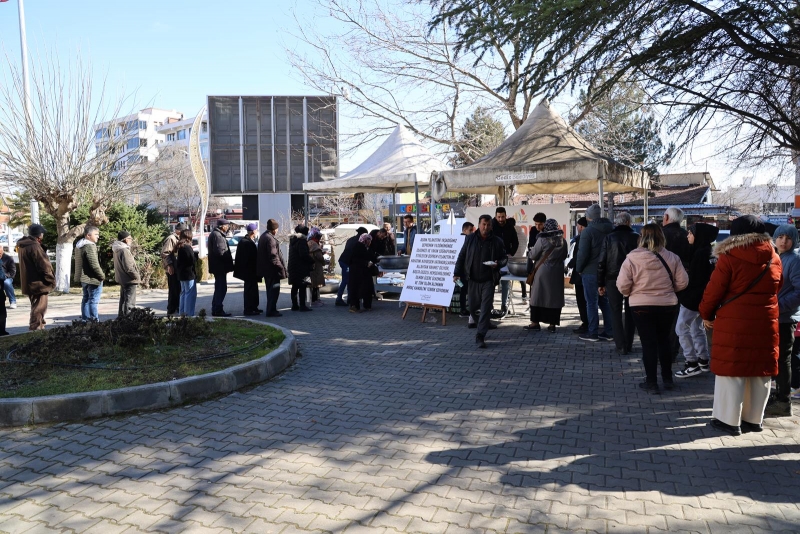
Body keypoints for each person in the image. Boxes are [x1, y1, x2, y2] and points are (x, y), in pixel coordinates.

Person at [699, 215, 782, 436]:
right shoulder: (774, 257)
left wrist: (705, 314)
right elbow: (777, 287)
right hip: (765, 321)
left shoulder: (729, 257)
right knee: (759, 371)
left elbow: (714, 290)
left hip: (733, 322)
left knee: (732, 371)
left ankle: (728, 420)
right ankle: (754, 420)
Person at [617, 224, 688, 393]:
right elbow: (683, 282)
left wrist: (632, 293)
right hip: (667, 305)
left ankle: (651, 382)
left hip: (641, 305)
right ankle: (668, 379)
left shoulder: (632, 258)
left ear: (641, 238)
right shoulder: (672, 257)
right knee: (664, 341)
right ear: (661, 237)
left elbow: (622, 285)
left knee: (648, 344)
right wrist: (668, 291)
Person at [454, 214, 507, 349]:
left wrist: (497, 264)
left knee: (485, 308)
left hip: (488, 280)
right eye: (483, 224)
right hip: (472, 280)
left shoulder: (497, 241)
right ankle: (484, 323)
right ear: (478, 224)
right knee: (472, 308)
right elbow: (461, 257)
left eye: (488, 224)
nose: (486, 227)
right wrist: (456, 273)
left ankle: (480, 335)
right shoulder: (470, 239)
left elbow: (504, 258)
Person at [673, 223, 719, 378]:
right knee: (696, 328)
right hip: (705, 298)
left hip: (693, 298)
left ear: (698, 235)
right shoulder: (710, 252)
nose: (688, 236)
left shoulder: (700, 253)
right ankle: (703, 360)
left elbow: (696, 280)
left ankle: (691, 362)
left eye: (690, 233)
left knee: (681, 328)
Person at [764, 224, 800, 417]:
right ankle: (777, 396)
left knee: (783, 359)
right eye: (780, 237)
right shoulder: (775, 257)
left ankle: (783, 401)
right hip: (774, 316)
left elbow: (799, 291)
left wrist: (778, 305)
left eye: (788, 237)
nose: (784, 241)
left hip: (785, 318)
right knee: (775, 358)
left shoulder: (794, 260)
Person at [598, 212, 640, 355]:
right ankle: (628, 343)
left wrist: (600, 282)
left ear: (616, 222)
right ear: (628, 222)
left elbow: (601, 262)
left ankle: (620, 344)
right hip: (632, 279)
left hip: (612, 278)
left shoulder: (609, 238)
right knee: (630, 312)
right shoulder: (636, 237)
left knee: (615, 311)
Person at [575, 204, 614, 342]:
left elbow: (583, 254)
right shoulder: (611, 229)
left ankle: (592, 332)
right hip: (607, 272)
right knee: (605, 301)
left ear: (588, 216)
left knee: (591, 302)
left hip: (591, 272)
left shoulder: (588, 232)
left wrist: (579, 269)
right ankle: (610, 331)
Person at [525, 218, 568, 333]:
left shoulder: (542, 240)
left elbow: (533, 255)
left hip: (543, 272)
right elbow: (565, 256)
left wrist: (529, 252)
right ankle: (552, 325)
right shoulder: (563, 241)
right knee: (554, 298)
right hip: (557, 272)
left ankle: (535, 323)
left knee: (538, 296)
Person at [17, 224, 55, 330]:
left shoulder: (24, 245)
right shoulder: (34, 246)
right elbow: (43, 265)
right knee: (39, 307)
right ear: (39, 235)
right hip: (38, 283)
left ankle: (40, 325)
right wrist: (50, 279)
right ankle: (36, 328)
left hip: (30, 282)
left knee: (36, 306)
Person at [492, 207, 519, 317]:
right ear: (495, 216)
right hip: (493, 259)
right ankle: (490, 305)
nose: (501, 219)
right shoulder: (492, 225)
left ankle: (504, 305)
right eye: (498, 217)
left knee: (505, 282)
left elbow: (515, 242)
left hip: (506, 259)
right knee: (491, 283)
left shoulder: (510, 227)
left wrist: (511, 253)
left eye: (502, 217)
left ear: (505, 216)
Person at [258, 219, 287, 317]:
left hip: (267, 270)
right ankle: (271, 310)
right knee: (274, 291)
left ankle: (271, 309)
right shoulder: (270, 239)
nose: (277, 230)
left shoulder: (263, 236)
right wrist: (281, 267)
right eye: (277, 228)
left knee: (270, 290)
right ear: (274, 229)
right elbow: (273, 256)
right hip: (272, 270)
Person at [75, 225, 104, 322]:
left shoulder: (80, 245)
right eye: (96, 234)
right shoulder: (89, 246)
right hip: (92, 278)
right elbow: (94, 264)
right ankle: (94, 321)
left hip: (84, 278)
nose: (98, 236)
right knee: (93, 301)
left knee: (86, 299)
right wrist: (102, 276)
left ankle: (85, 320)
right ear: (88, 235)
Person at [208, 219, 234, 317]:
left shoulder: (216, 234)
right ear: (222, 226)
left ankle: (216, 308)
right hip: (220, 267)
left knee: (219, 288)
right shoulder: (217, 235)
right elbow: (220, 252)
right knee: (221, 288)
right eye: (227, 225)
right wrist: (228, 261)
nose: (228, 227)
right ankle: (218, 309)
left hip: (218, 267)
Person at [336, 227, 369, 306]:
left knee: (348, 280)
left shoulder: (351, 239)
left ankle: (349, 299)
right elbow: (354, 254)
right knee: (346, 280)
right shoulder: (358, 241)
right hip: (346, 262)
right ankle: (339, 298)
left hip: (343, 260)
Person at [234, 223, 261, 315]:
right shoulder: (246, 242)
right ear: (253, 231)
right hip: (249, 271)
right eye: (256, 230)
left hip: (251, 271)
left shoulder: (248, 241)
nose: (257, 231)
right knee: (249, 290)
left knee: (253, 289)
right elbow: (248, 258)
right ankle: (248, 309)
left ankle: (254, 307)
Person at [111, 231, 141, 318]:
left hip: (122, 278)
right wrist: (137, 276)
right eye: (129, 238)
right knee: (129, 302)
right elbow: (129, 267)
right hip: (129, 279)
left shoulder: (117, 249)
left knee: (123, 300)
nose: (131, 240)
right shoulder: (124, 250)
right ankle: (128, 321)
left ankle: (121, 319)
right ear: (124, 240)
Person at [568, 217, 589, 334]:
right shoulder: (589, 237)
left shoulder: (582, 238)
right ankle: (588, 322)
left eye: (578, 226)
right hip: (588, 273)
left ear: (580, 226)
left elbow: (579, 255)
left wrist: (571, 264)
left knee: (582, 300)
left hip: (580, 274)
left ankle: (586, 323)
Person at [288, 225, 314, 312]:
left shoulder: (293, 240)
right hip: (302, 268)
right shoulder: (302, 241)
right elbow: (304, 255)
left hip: (293, 267)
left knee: (295, 286)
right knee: (303, 286)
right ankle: (302, 306)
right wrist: (312, 260)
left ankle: (294, 305)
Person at [161, 223, 185, 316]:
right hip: (172, 269)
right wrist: (169, 265)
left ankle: (176, 308)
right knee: (173, 290)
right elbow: (165, 253)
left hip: (176, 268)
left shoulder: (177, 239)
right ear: (178, 231)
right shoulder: (171, 238)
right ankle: (171, 310)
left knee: (177, 289)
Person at [348, 233, 374, 313]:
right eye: (369, 240)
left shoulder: (365, 247)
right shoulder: (358, 247)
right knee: (357, 289)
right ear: (365, 240)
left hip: (362, 272)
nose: (370, 242)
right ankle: (355, 306)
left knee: (365, 289)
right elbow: (354, 259)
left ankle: (366, 305)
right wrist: (366, 263)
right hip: (357, 272)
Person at [174, 229, 197, 316]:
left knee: (183, 293)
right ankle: (188, 314)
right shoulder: (187, 247)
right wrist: (196, 257)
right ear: (188, 236)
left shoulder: (180, 246)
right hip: (188, 274)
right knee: (189, 294)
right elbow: (191, 260)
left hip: (181, 274)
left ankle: (182, 313)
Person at [458, 221, 475, 318]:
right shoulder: (464, 240)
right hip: (463, 271)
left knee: (464, 290)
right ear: (464, 230)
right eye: (470, 230)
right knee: (464, 290)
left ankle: (464, 309)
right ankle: (463, 309)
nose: (472, 232)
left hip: (463, 271)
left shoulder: (466, 239)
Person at [307, 227, 326, 307]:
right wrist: (323, 261)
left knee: (313, 284)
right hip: (316, 267)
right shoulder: (314, 244)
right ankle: (315, 301)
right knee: (315, 285)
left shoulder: (308, 242)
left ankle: (314, 300)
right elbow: (319, 256)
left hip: (311, 267)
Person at [0, 247, 17, 311]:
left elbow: (12, 271)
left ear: (3, 251)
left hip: (7, 277)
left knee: (6, 283)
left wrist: (4, 276)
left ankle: (13, 301)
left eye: (0, 253)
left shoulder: (8, 258)